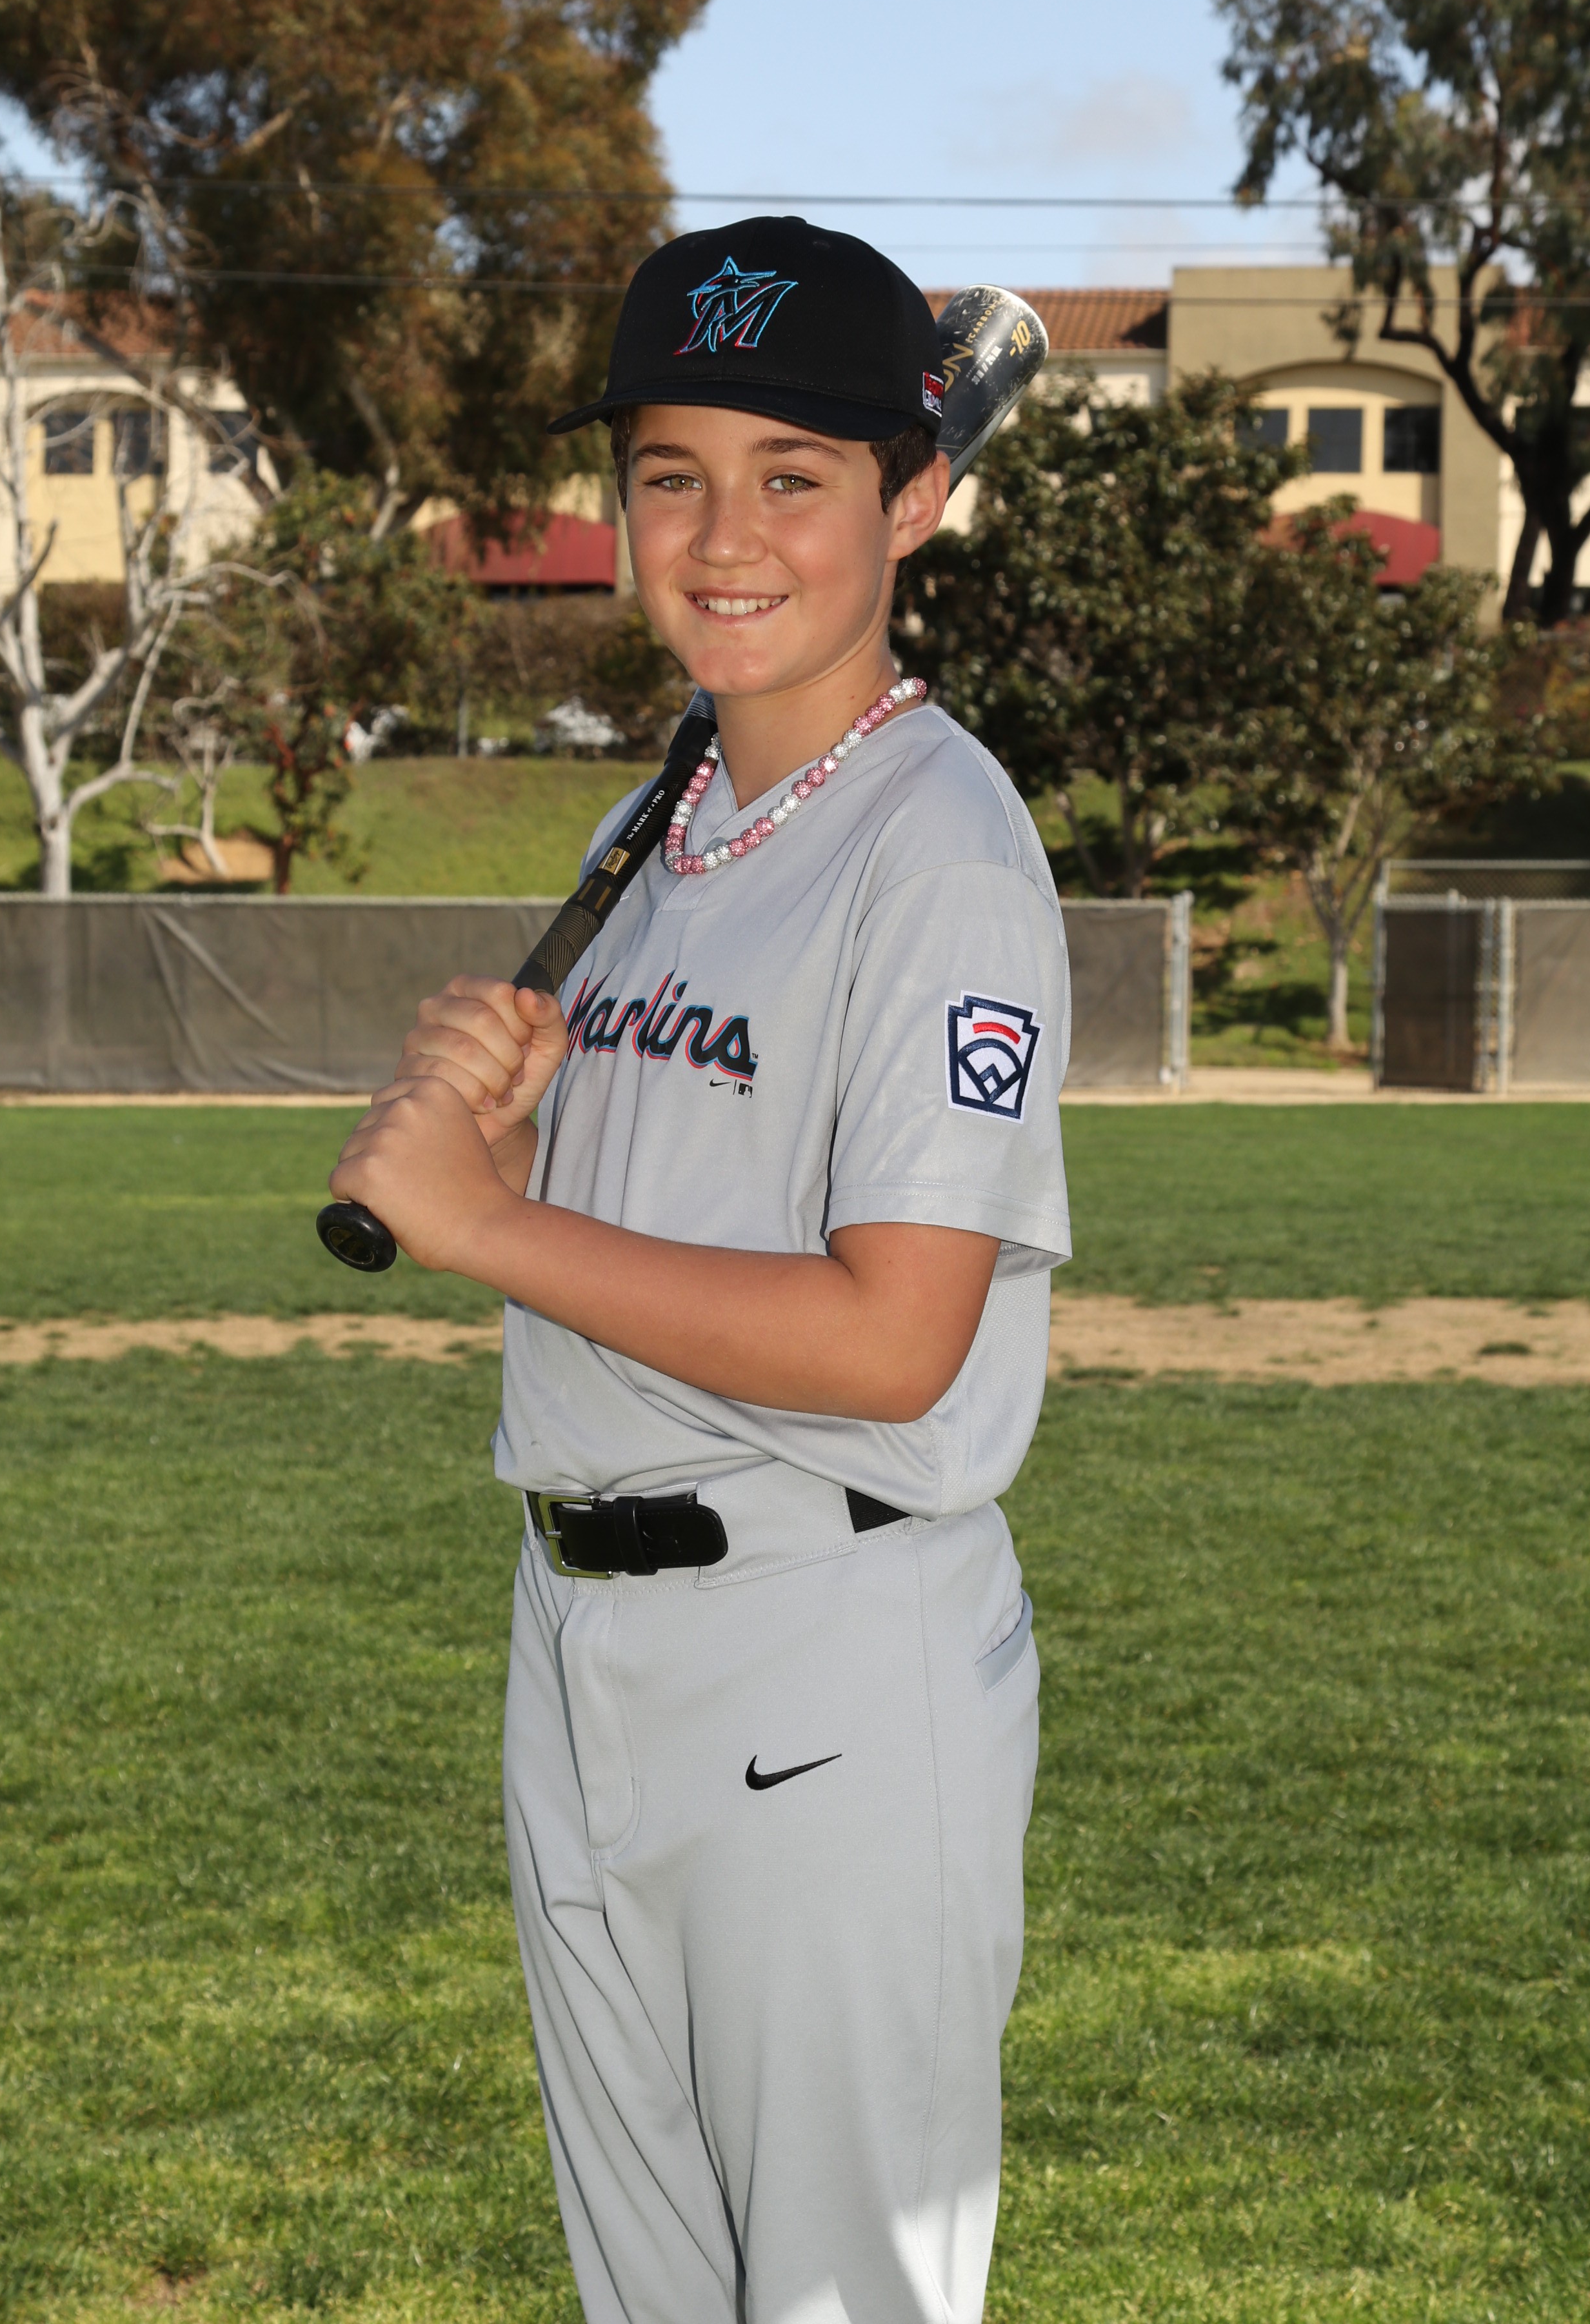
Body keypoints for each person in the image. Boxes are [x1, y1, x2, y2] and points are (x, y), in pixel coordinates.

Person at [329, 215, 1071, 2324]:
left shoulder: (941, 850)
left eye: (794, 476)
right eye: (673, 474)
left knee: (838, 2301)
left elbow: (898, 1339)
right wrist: (511, 1139)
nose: (724, 535)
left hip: (824, 1650)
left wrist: (490, 1224)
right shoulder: (651, 836)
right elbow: (657, 1212)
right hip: (584, 1637)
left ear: (912, 502)